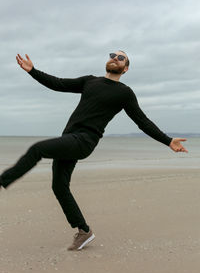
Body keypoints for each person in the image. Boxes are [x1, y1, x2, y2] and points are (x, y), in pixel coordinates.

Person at [0, 50, 188, 251]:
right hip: (69, 139)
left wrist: (168, 141)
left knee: (37, 149)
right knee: (59, 186)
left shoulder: (124, 93)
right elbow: (58, 83)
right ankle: (84, 231)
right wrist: (32, 71)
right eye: (113, 55)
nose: (115, 58)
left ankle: (3, 180)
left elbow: (142, 122)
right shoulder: (90, 81)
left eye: (121, 58)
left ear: (125, 69)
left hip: (84, 141)